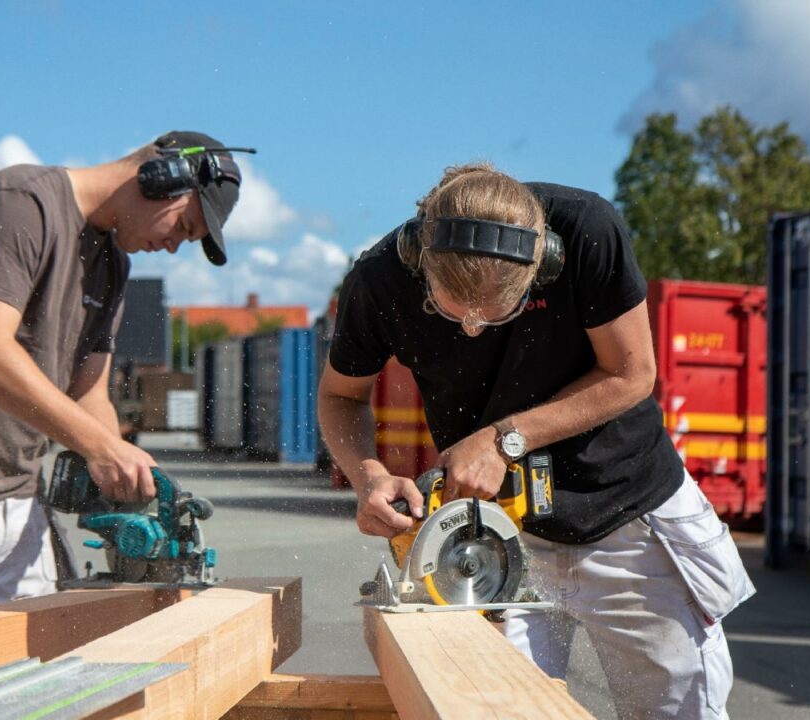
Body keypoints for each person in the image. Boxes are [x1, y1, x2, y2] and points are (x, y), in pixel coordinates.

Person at [318, 163, 754, 719]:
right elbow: (341, 397)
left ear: (541, 265)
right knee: (490, 709)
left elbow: (632, 373)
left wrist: (504, 440)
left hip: (627, 512)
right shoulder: (381, 278)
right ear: (420, 261)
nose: (473, 329)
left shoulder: (586, 231)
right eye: (452, 311)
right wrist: (368, 476)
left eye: (494, 314)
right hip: (492, 536)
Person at [0, 130, 247, 624]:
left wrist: (134, 476)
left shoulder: (111, 264)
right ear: (161, 177)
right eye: (183, 225)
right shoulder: (20, 205)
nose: (172, 247)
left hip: (16, 495)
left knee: (33, 679)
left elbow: (88, 393)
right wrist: (100, 449)